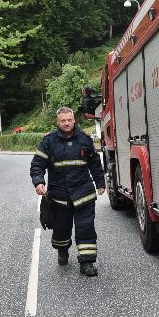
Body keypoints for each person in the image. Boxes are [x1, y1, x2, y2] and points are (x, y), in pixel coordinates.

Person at [30, 107, 105, 277]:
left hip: (83, 193)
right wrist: (39, 182)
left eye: (69, 120)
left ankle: (87, 262)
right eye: (63, 121)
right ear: (58, 122)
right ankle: (62, 250)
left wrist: (100, 183)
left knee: (86, 227)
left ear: (74, 120)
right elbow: (37, 164)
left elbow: (95, 164)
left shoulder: (85, 140)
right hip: (59, 196)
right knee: (61, 229)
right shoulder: (48, 142)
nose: (66, 123)